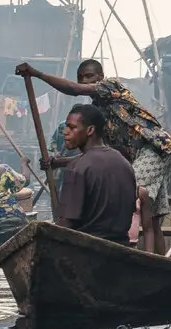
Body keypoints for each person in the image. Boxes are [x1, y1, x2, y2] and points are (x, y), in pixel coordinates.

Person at [17, 58, 171, 253]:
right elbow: (100, 157)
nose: (85, 81)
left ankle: (137, 258)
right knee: (153, 218)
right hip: (143, 155)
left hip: (155, 147)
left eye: (89, 76)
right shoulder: (99, 114)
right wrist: (58, 162)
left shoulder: (111, 86)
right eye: (81, 77)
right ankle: (162, 263)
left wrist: (37, 74)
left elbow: (75, 89)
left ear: (100, 76)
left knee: (130, 194)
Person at [48, 104, 137, 245]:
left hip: (88, 251)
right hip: (121, 248)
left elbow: (66, 224)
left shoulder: (77, 167)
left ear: (90, 130)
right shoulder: (124, 163)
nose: (65, 132)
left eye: (72, 127)